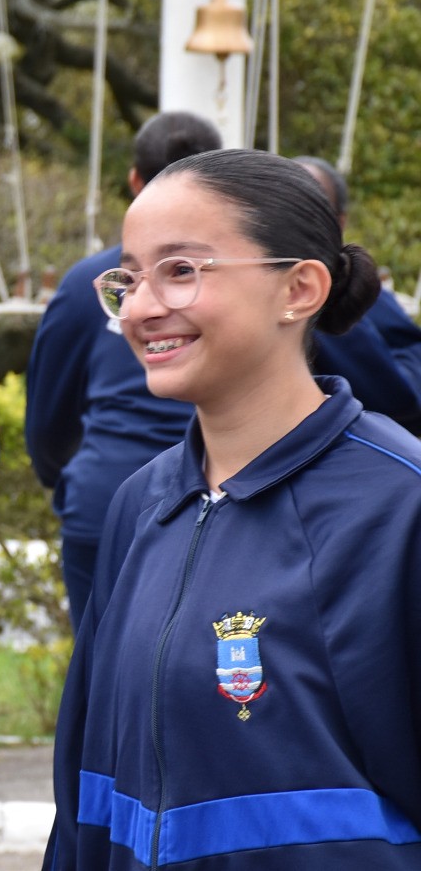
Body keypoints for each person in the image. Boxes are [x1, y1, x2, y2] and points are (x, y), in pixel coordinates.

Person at [46, 150, 421, 868]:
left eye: (182, 270)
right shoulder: (141, 505)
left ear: (300, 288)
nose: (141, 306)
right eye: (128, 277)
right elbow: (83, 790)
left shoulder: (399, 508)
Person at [25, 111, 220, 631]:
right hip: (158, 499)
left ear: (134, 180)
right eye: (129, 284)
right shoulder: (100, 282)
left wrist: (72, 480)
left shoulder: (86, 280)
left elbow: (49, 420)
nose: (146, 306)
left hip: (115, 496)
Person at [293, 154, 421, 432]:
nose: (292, 223)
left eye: (309, 210)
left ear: (338, 222)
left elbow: (406, 398)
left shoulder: (373, 302)